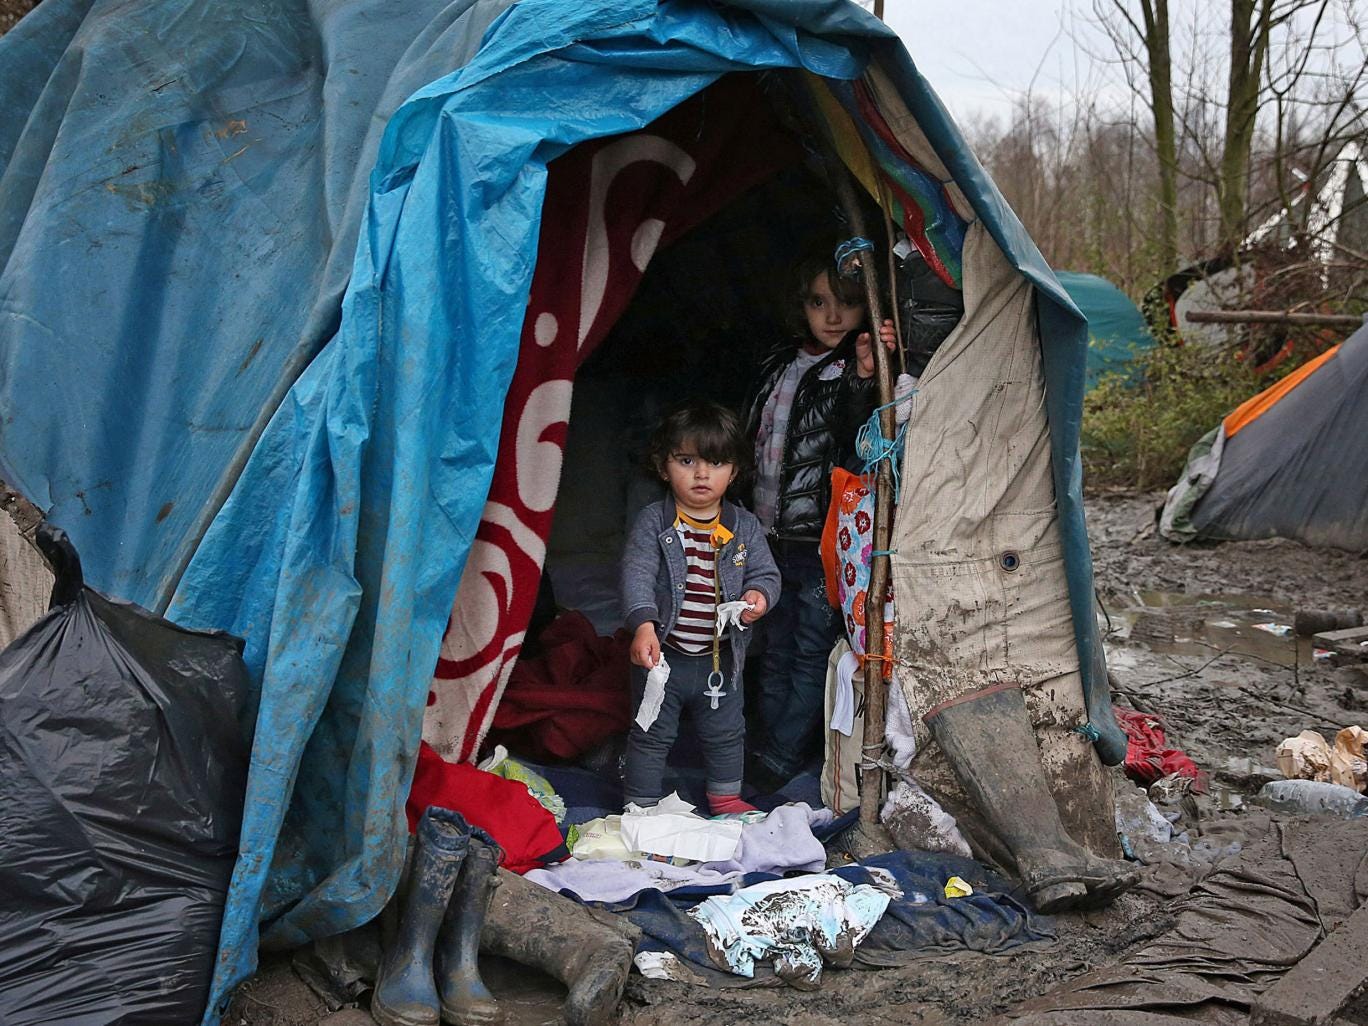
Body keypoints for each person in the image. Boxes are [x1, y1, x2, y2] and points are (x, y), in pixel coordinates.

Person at [745, 249, 896, 788]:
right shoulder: (781, 364)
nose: (831, 316)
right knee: (774, 643)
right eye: (817, 302)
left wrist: (863, 371)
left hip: (819, 538)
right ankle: (765, 743)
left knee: (810, 648)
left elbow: (859, 435)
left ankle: (784, 754)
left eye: (847, 304)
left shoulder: (846, 370)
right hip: (768, 534)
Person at [619, 400, 781, 815]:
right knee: (650, 731)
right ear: (662, 466)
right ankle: (641, 805)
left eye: (716, 462)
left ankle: (725, 796)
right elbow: (636, 575)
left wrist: (758, 598)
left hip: (721, 656)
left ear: (736, 471)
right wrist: (642, 625)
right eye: (687, 460)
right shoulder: (654, 522)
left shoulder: (743, 526)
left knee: (726, 732)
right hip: (663, 657)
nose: (702, 474)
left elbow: (766, 573)